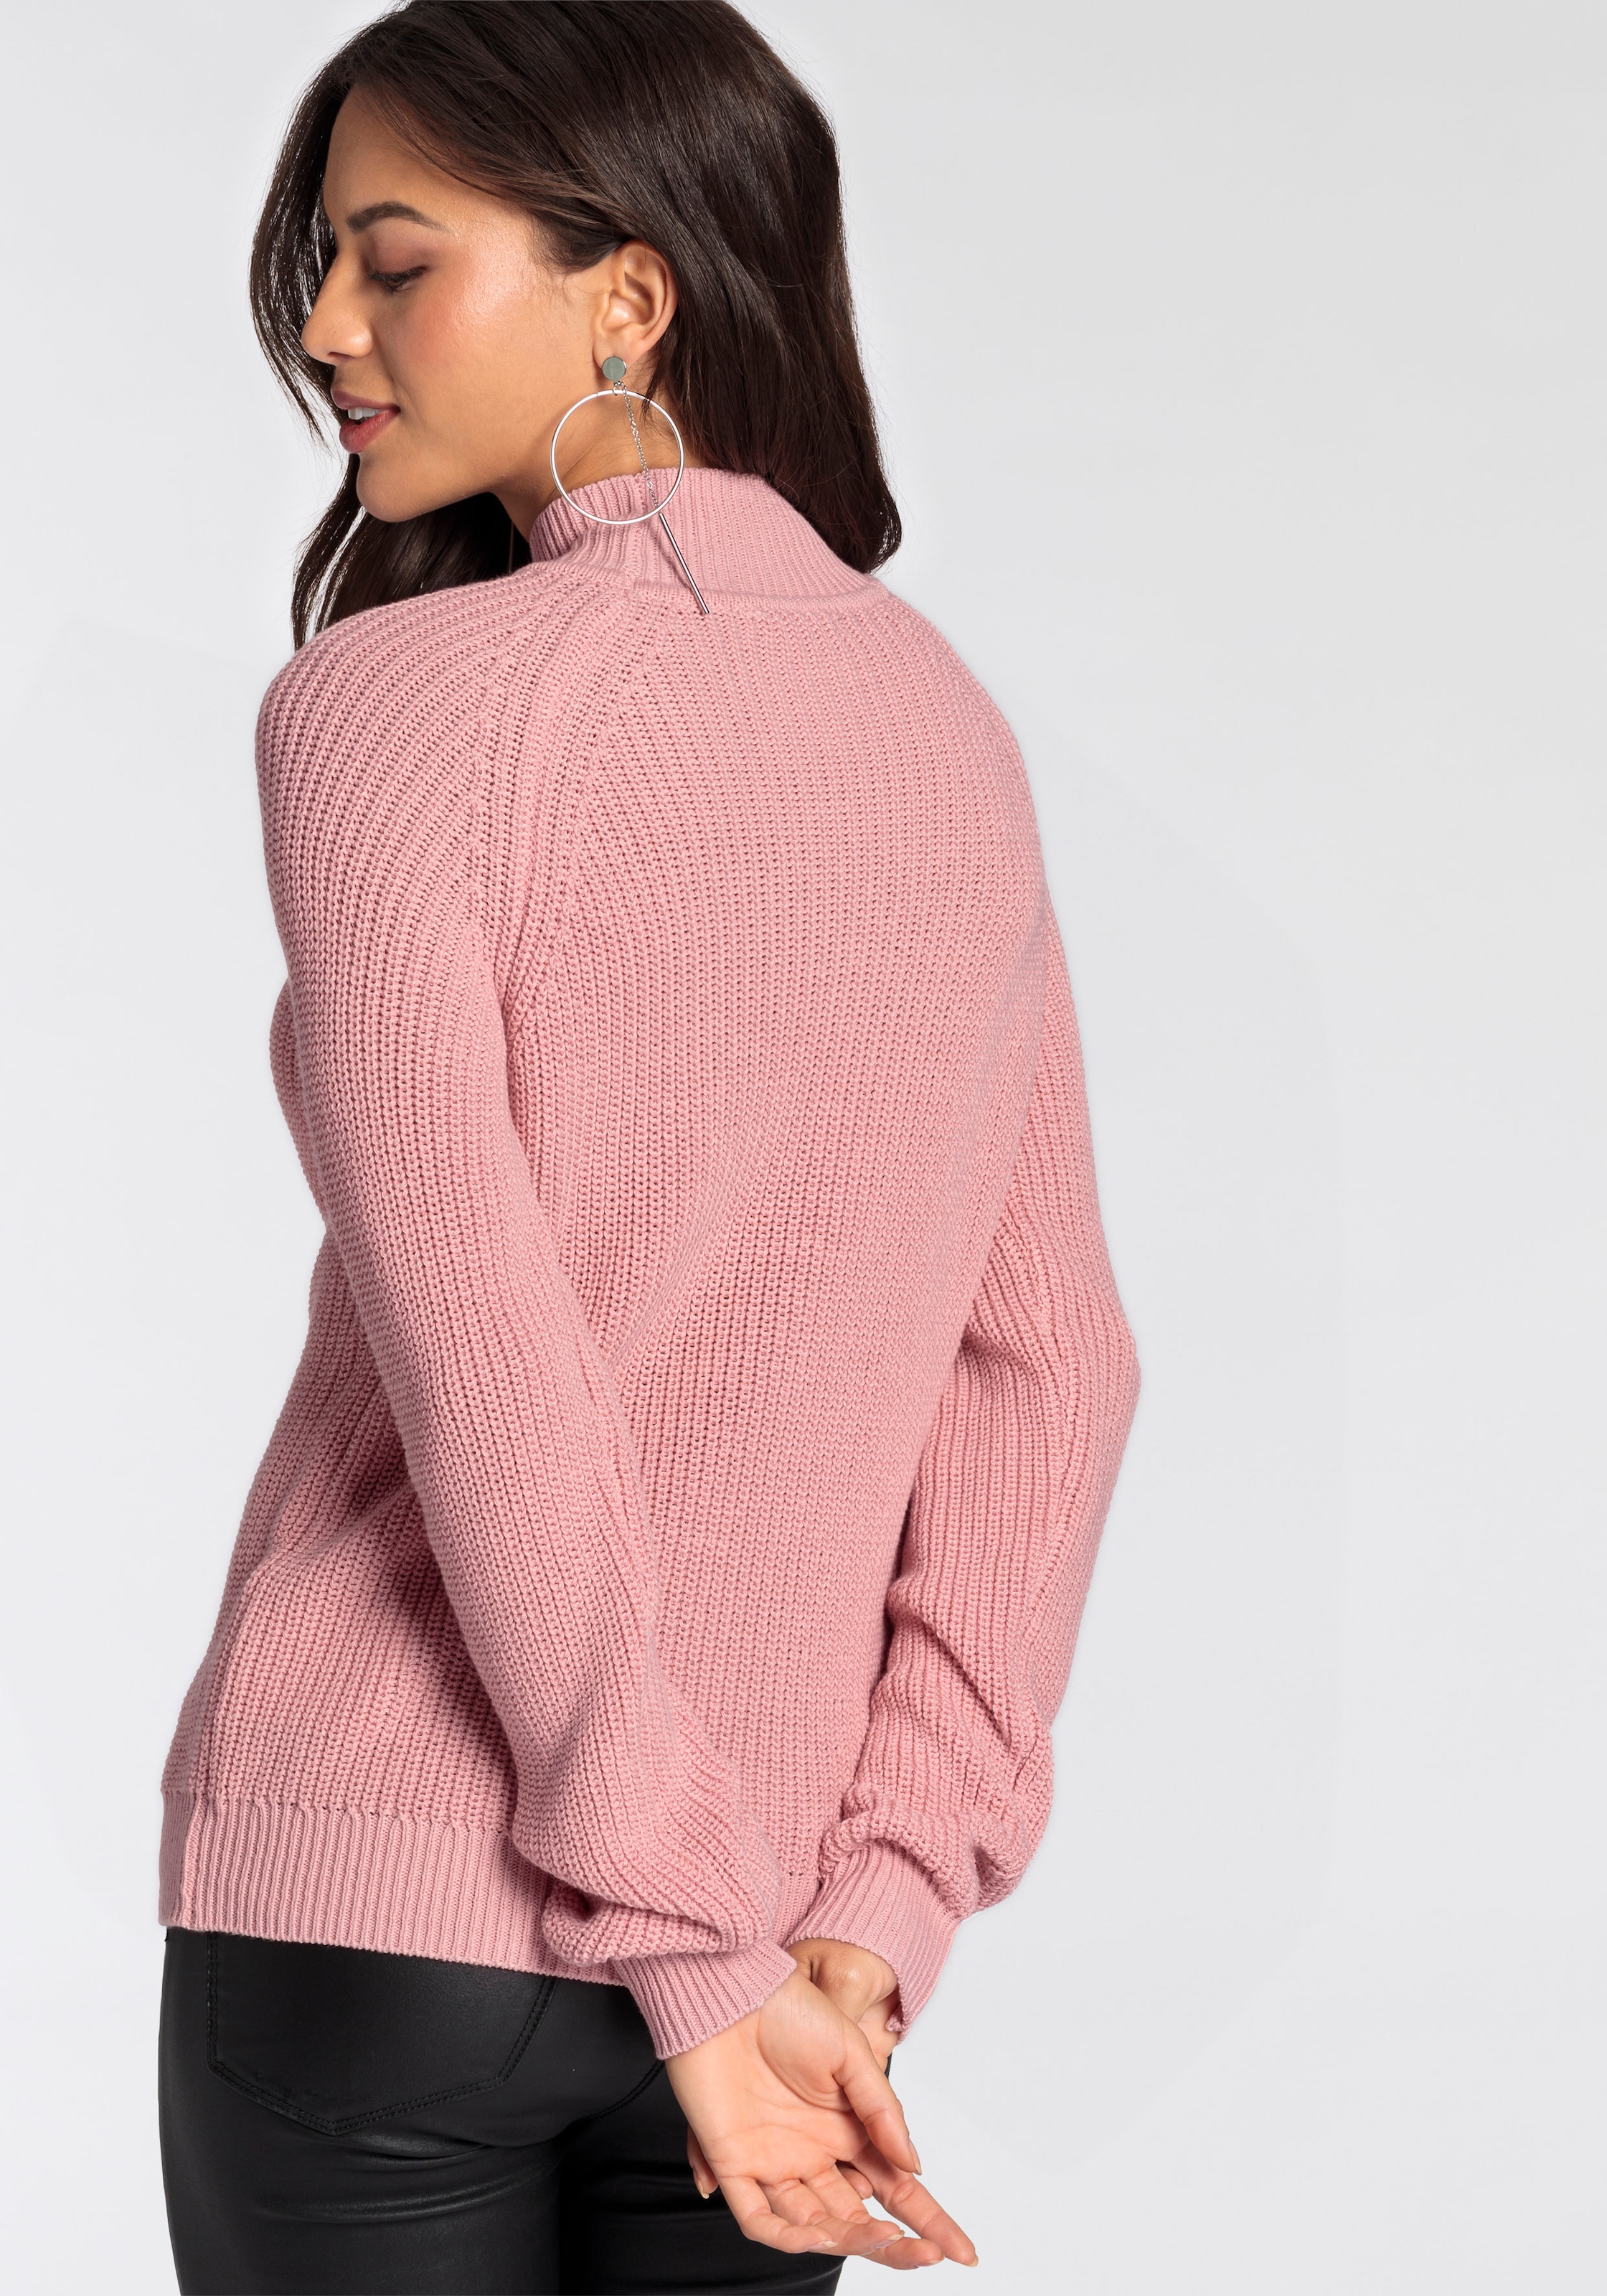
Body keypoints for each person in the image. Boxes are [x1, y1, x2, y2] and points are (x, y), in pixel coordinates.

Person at [155, 4, 1140, 2290]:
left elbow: (483, 1364)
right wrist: (868, 1909)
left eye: (397, 262)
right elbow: (1052, 1369)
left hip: (403, 1914)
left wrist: (680, 1946)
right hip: (783, 1959)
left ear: (630, 294)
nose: (327, 330)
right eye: (324, 264)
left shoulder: (382, 714)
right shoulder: (940, 725)